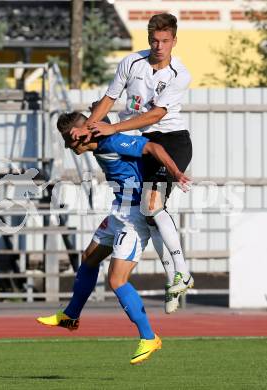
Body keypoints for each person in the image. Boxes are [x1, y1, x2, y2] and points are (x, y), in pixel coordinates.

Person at [37, 112, 190, 365]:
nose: (68, 145)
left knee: (117, 280)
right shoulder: (99, 141)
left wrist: (176, 172)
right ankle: (71, 315)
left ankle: (149, 337)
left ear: (83, 133)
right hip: (119, 210)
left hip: (134, 217)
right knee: (89, 257)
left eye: (69, 139)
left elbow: (152, 147)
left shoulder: (112, 141)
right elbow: (103, 109)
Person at [71, 13, 193, 296]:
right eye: (154, 40)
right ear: (148, 39)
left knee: (151, 205)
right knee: (148, 213)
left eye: (165, 40)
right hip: (139, 139)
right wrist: (89, 128)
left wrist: (112, 128)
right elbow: (109, 99)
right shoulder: (131, 62)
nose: (159, 45)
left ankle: (182, 273)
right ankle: (175, 279)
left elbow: (155, 115)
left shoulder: (179, 75)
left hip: (170, 141)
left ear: (174, 41)